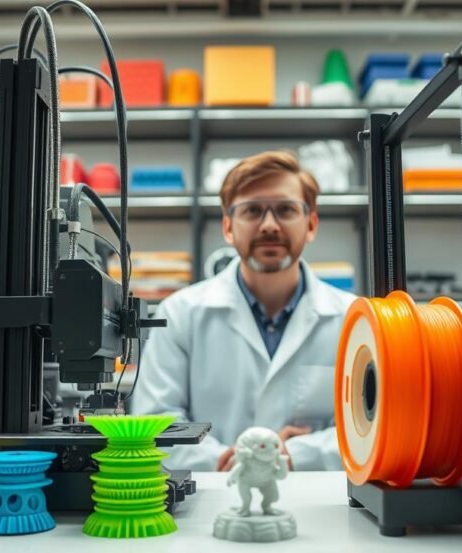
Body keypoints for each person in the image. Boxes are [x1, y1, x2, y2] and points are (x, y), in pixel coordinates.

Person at [132, 151, 355, 471]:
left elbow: (373, 430)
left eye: (285, 210)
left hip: (319, 504)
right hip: (211, 503)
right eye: (252, 210)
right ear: (227, 227)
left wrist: (296, 455)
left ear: (311, 224)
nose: (269, 225)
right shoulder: (180, 313)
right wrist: (238, 461)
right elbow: (155, 425)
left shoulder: (351, 318)